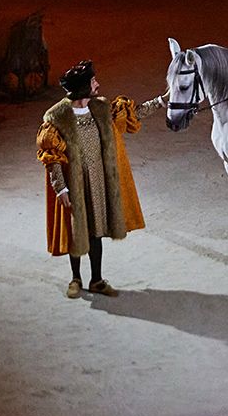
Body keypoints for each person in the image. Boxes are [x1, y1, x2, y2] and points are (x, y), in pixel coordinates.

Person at [36, 60, 166, 299]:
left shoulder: (101, 109)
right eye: (93, 81)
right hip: (73, 183)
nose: (98, 85)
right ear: (84, 87)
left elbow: (132, 115)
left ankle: (96, 279)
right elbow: (51, 157)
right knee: (77, 231)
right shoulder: (58, 118)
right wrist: (60, 188)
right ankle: (75, 278)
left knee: (96, 230)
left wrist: (161, 101)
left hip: (97, 181)